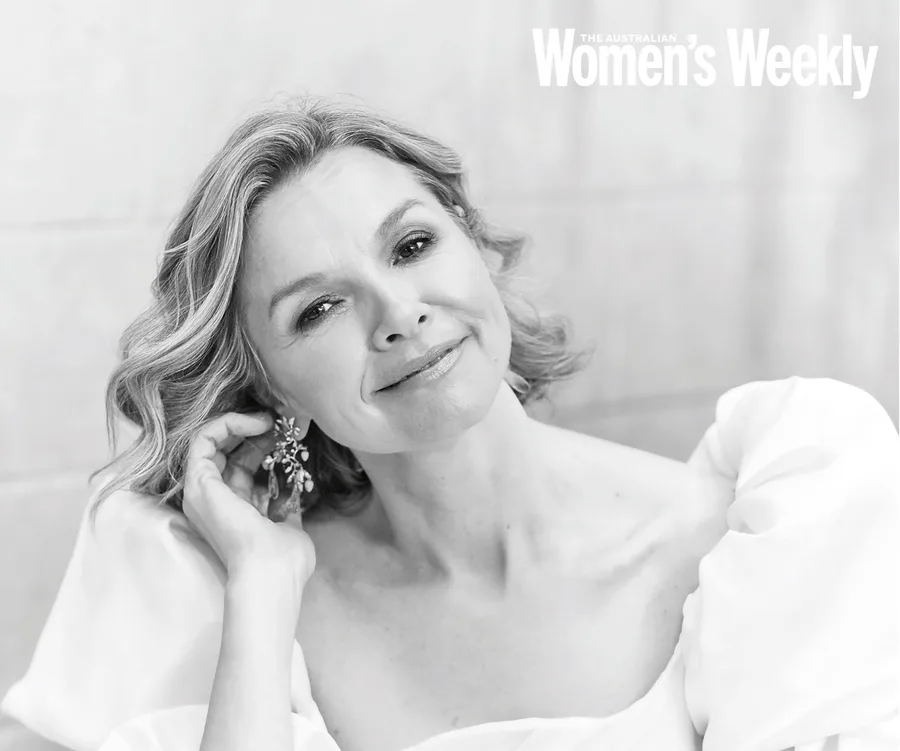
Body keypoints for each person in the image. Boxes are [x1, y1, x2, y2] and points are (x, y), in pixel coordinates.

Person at [6, 96, 895, 751]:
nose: (398, 313)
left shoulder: (764, 537)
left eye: (413, 245)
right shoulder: (220, 599)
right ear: (269, 387)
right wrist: (263, 589)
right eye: (318, 309)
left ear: (471, 241)